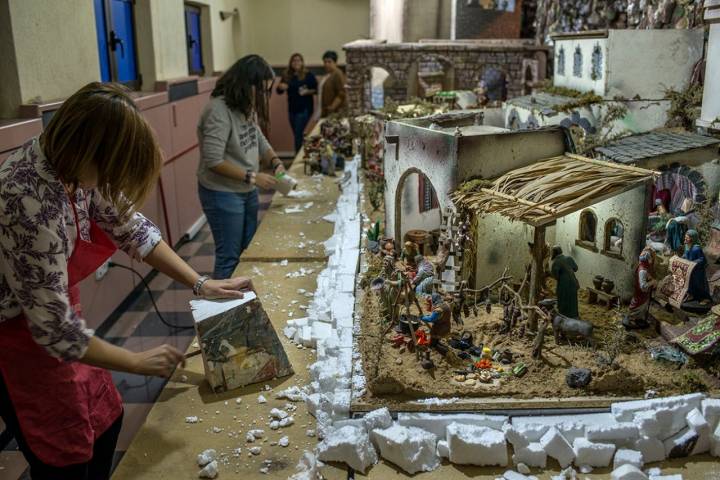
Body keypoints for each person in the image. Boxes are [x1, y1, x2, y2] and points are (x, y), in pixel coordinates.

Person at [0, 83, 253, 480]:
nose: (106, 184)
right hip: (17, 334)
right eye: (109, 171)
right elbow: (54, 332)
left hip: (56, 310)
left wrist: (201, 284)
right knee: (64, 457)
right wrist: (135, 361)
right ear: (90, 152)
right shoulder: (27, 200)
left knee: (106, 423)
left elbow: (134, 231)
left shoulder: (74, 159)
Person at [197, 54, 286, 279]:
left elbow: (256, 136)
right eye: (262, 90)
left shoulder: (244, 106)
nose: (264, 96)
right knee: (229, 257)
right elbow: (213, 160)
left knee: (248, 251)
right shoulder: (218, 111)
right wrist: (253, 178)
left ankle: (244, 306)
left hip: (245, 190)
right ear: (247, 85)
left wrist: (274, 161)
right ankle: (222, 312)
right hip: (222, 193)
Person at [276, 53, 318, 154]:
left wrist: (308, 92)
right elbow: (279, 91)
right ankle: (305, 154)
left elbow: (317, 90)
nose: (296, 62)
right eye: (294, 60)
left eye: (299, 60)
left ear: (302, 62)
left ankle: (298, 158)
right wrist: (280, 87)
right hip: (292, 109)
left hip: (304, 108)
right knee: (297, 134)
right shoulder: (287, 75)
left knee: (298, 135)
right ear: (290, 63)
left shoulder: (308, 75)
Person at [623, 248, 656, 330]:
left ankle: (637, 319)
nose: (651, 260)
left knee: (640, 307)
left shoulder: (642, 267)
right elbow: (643, 286)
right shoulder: (643, 270)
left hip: (641, 294)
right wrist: (652, 282)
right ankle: (632, 320)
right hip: (641, 294)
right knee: (638, 307)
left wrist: (650, 277)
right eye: (651, 258)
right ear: (648, 259)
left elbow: (646, 274)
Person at [550, 245, 580, 319]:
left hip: (564, 285)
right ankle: (574, 316)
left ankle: (564, 316)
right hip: (573, 282)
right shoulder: (569, 258)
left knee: (563, 299)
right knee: (572, 300)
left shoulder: (556, 262)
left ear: (554, 253)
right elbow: (576, 268)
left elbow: (555, 275)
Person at [683, 229, 711, 302]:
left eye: (687, 238)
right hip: (690, 270)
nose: (685, 239)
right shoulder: (687, 246)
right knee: (689, 284)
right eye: (685, 237)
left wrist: (693, 262)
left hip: (697, 271)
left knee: (698, 285)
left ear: (692, 239)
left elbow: (702, 259)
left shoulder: (696, 248)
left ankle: (703, 298)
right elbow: (685, 255)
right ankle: (690, 295)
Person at [320, 50, 347, 117]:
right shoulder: (328, 74)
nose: (326, 64)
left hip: (335, 112)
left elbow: (342, 93)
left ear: (335, 62)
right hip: (327, 110)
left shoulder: (337, 74)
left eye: (329, 62)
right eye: (325, 62)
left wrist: (332, 107)